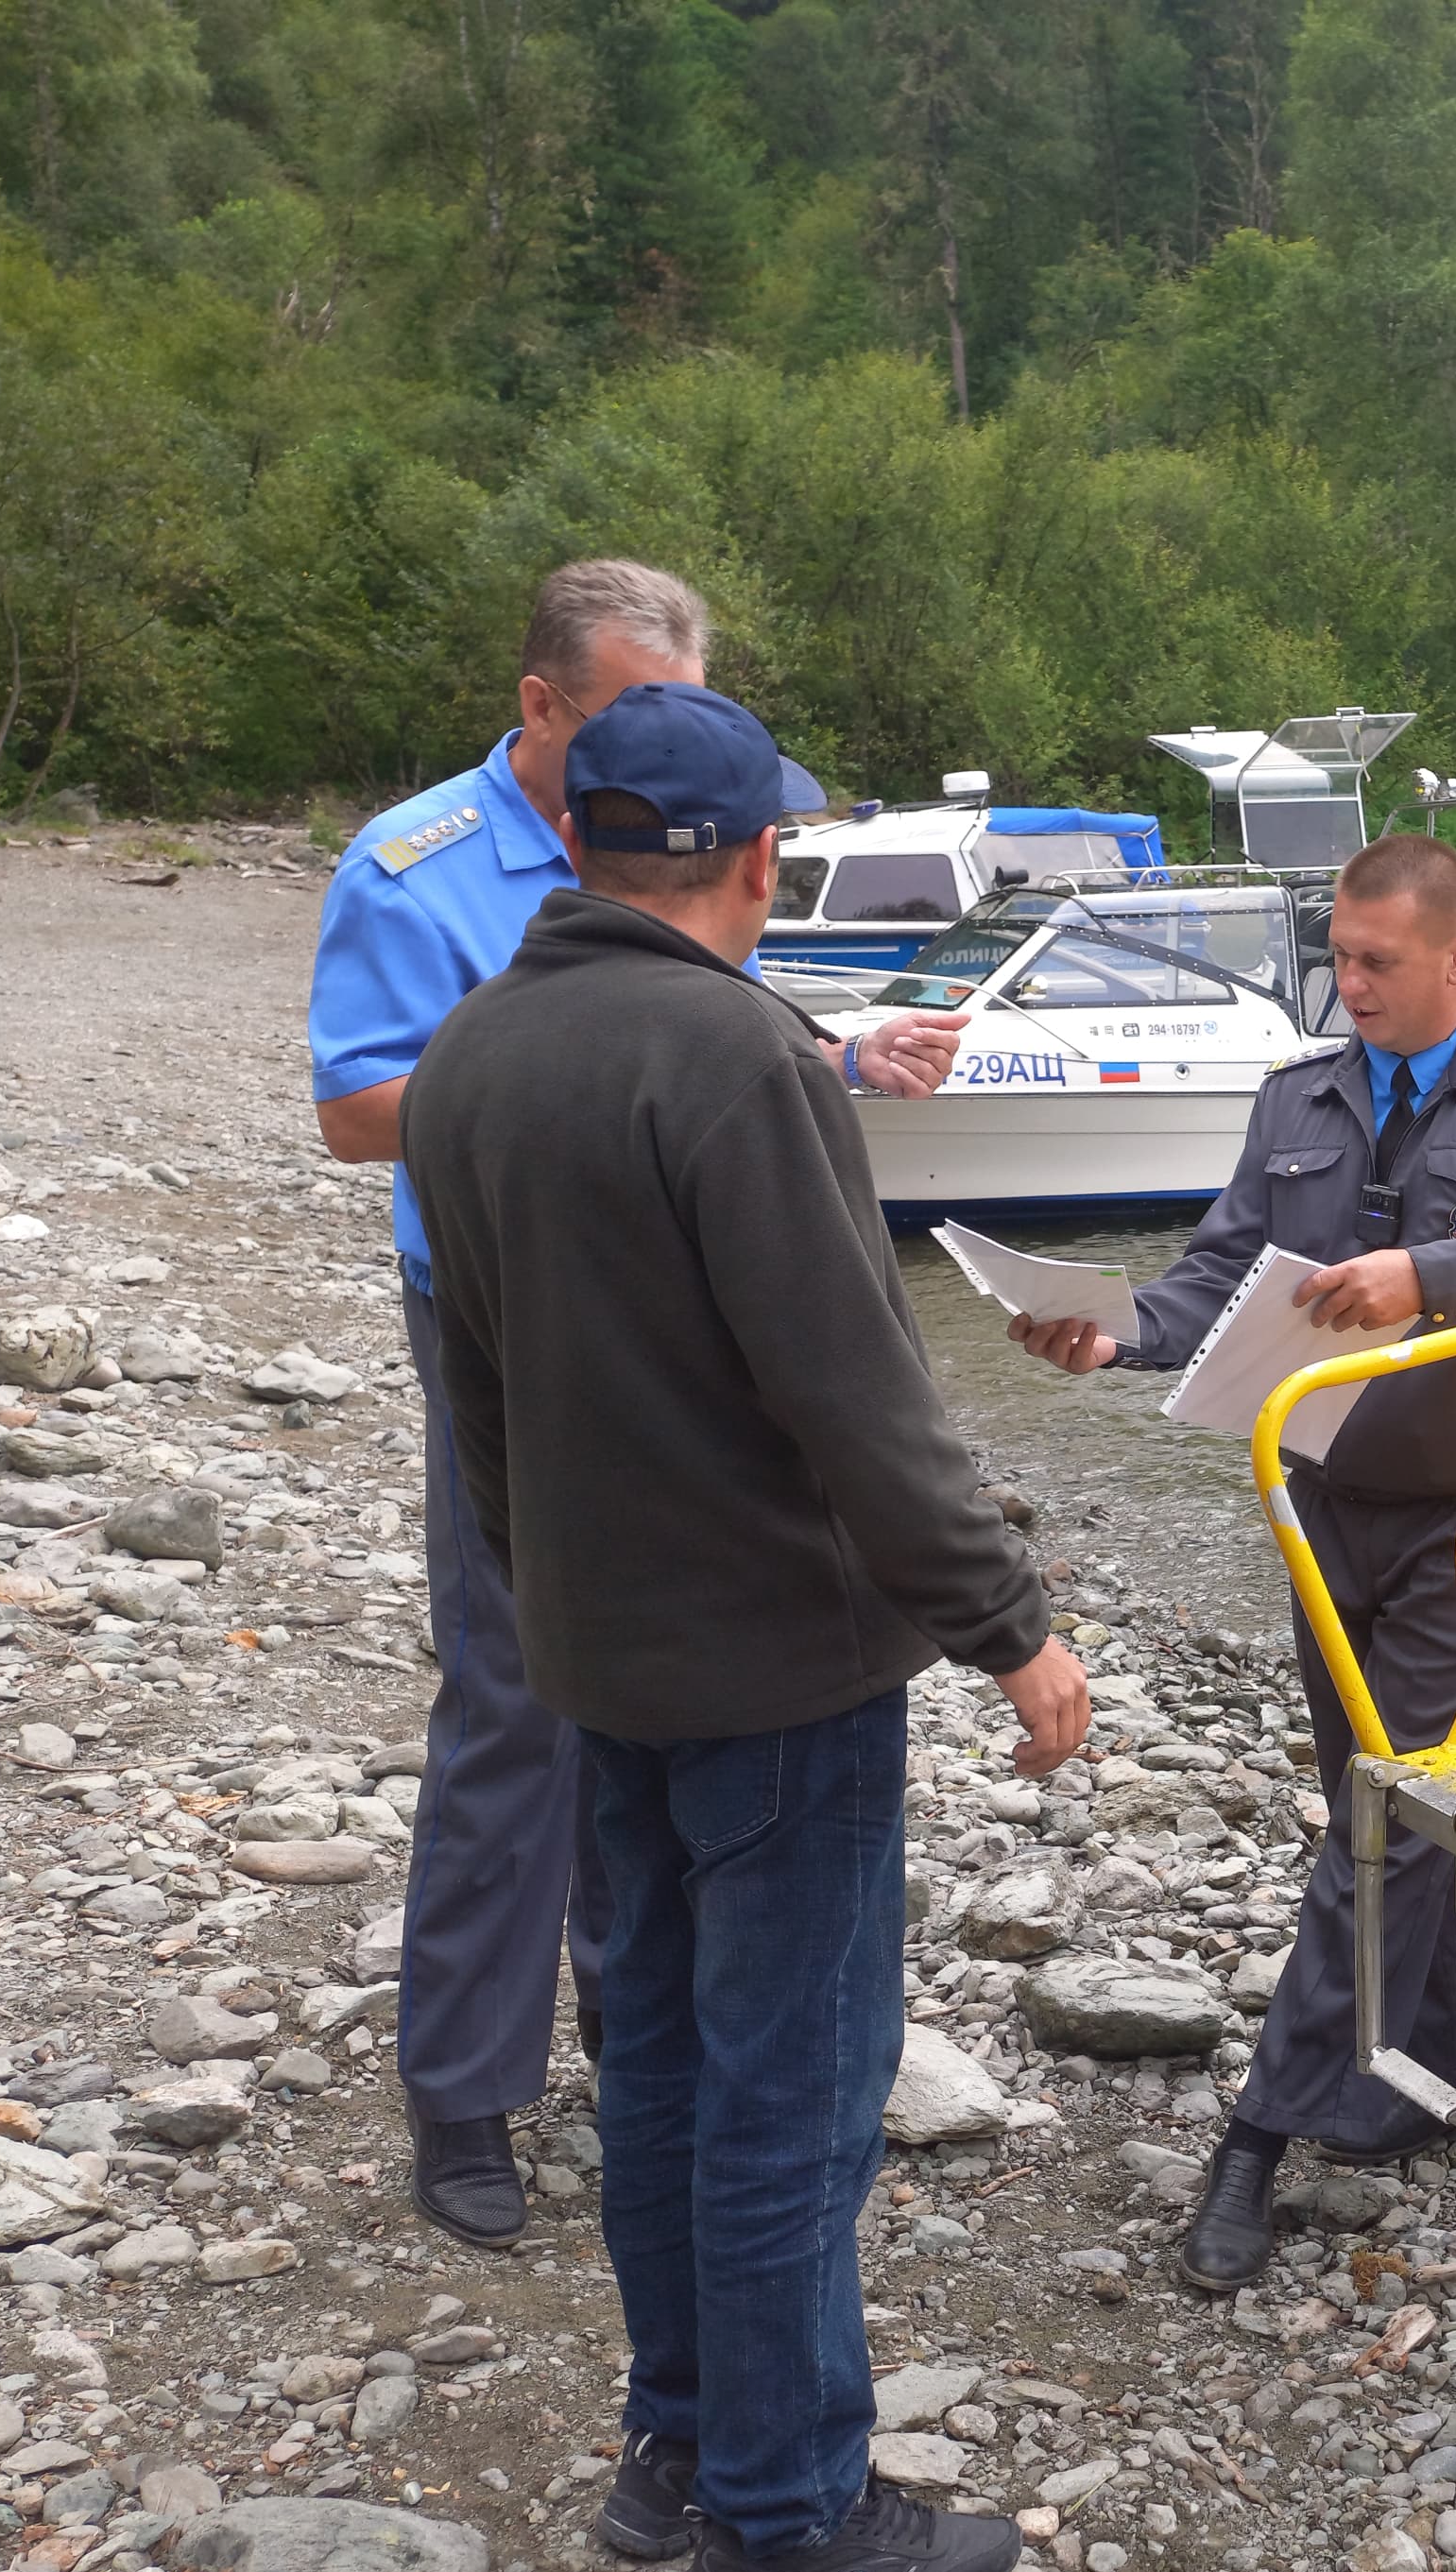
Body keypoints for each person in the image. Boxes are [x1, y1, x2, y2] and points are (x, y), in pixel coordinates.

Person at [401, 679, 1091, 2572]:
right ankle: (787, 2527)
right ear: (754, 861)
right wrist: (1009, 1627)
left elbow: (481, 1404)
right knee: (792, 2087)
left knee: (672, 2072)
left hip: (602, 1661)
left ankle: (683, 2444)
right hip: (779, 1674)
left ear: (580, 836)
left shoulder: (471, 1056)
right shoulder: (737, 1056)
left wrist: (553, 1611)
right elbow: (853, 1393)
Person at [306, 559, 964, 2253]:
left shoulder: (672, 844)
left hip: (678, 1309)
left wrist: (841, 1059)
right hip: (509, 1310)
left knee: (649, 1691)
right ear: (539, 708)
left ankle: (633, 2037)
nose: (651, 740)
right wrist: (548, 1082)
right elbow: (358, 1104)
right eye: (617, 712)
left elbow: (702, 1049)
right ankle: (462, 2091)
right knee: (516, 1685)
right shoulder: (418, 863)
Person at [1007, 832, 1456, 2291]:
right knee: (1379, 1813)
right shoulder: (1296, 1097)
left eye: (1379, 963)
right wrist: (1115, 1327)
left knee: (1388, 1811)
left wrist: (1435, 1275)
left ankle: (1263, 2128)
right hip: (1323, 1499)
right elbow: (1220, 1272)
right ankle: (1454, 2078)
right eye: (1340, 960)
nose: (1350, 987)